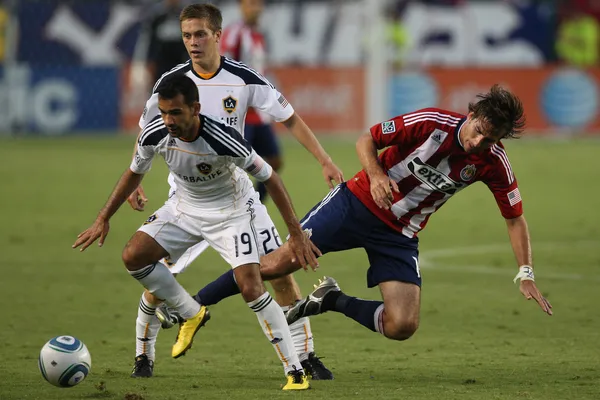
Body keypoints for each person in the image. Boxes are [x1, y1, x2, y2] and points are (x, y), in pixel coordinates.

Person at [175, 84, 552, 348]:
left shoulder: (493, 162)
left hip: (400, 234)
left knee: (402, 325)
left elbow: (515, 218)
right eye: (478, 132)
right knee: (276, 265)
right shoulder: (431, 123)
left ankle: (331, 299)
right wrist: (375, 175)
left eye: (490, 140)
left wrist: (526, 271)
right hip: (354, 205)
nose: (478, 143)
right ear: (472, 115)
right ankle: (192, 304)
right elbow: (366, 139)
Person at [126, 3, 342, 379]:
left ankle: (306, 357)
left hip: (238, 198)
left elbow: (290, 118)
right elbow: (148, 131)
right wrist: (137, 181)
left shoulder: (243, 79)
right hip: (187, 199)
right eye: (187, 35)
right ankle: (143, 355)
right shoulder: (170, 83)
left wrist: (323, 158)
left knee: (279, 273)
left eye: (199, 34)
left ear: (217, 35)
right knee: (158, 278)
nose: (192, 43)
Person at [74, 74, 315, 390]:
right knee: (134, 255)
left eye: (175, 112)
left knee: (251, 287)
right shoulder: (155, 133)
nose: (168, 120)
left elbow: (272, 179)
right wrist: (103, 218)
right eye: (163, 112)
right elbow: (134, 172)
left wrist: (295, 233)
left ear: (195, 109)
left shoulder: (223, 138)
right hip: (184, 209)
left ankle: (295, 371)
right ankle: (191, 312)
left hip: (231, 211)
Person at [220, 0, 281, 203]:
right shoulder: (234, 33)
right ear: (241, 6)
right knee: (237, 167)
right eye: (251, 3)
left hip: (259, 111)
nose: (255, 8)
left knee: (274, 160)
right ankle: (232, 210)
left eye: (258, 4)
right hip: (242, 111)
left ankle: (254, 204)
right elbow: (223, 67)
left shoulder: (257, 34)